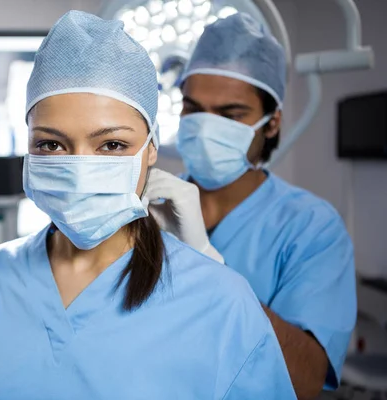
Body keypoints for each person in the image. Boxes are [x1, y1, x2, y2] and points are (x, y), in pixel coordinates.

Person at [0, 10, 296, 400]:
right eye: (51, 144)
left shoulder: (220, 299)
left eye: (111, 145)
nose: (78, 169)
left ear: (151, 149)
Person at [145, 13, 356, 400]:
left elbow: (306, 380)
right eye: (193, 109)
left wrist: (210, 267)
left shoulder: (311, 227)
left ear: (272, 123)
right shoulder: (149, 210)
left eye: (230, 115)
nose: (206, 126)